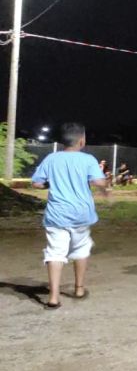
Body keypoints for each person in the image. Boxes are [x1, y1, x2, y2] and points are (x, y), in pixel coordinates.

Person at [30, 123, 110, 309]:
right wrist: (105, 187)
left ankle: (53, 297)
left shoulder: (51, 158)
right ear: (82, 140)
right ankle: (79, 289)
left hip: (57, 214)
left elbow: (36, 183)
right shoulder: (88, 159)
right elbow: (99, 182)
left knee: (55, 252)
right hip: (81, 214)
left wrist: (50, 184)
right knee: (80, 249)